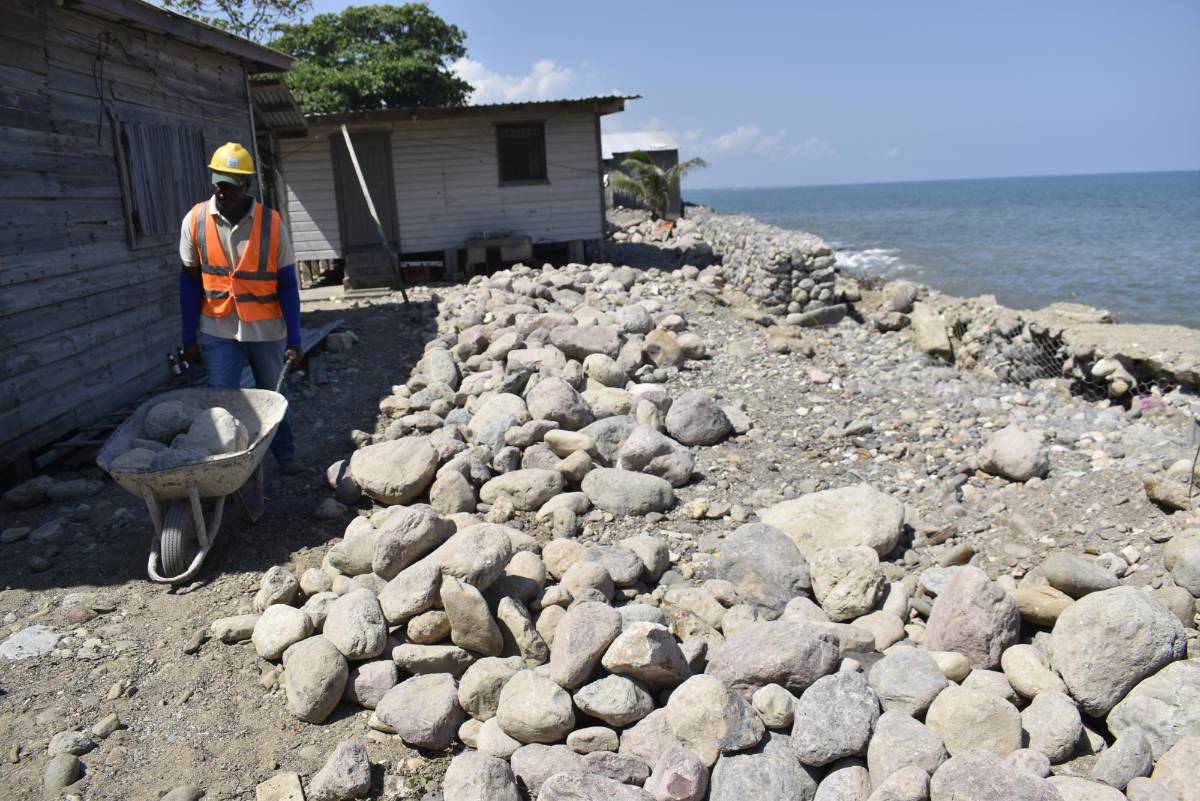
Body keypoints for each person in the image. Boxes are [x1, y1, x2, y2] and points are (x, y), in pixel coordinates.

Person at [179, 142, 303, 474]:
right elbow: (189, 283)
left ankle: (285, 454)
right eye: (218, 182)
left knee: (274, 396)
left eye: (230, 185)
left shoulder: (272, 224)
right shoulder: (195, 221)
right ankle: (228, 466)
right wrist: (188, 337)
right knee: (222, 403)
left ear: (247, 184)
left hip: (265, 328)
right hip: (217, 328)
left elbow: (288, 284)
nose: (222, 190)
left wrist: (295, 337)